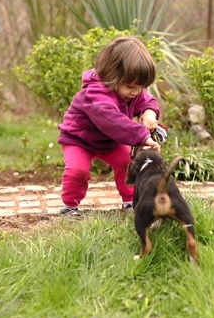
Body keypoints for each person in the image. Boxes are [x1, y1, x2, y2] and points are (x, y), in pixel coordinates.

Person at [57, 36, 162, 215]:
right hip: (79, 139)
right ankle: (70, 207)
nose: (136, 92)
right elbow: (112, 120)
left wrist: (149, 113)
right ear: (112, 76)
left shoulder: (133, 91)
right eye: (130, 86)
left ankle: (130, 202)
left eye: (141, 87)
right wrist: (142, 136)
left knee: (127, 164)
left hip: (109, 141)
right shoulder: (95, 94)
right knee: (78, 171)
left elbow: (148, 100)